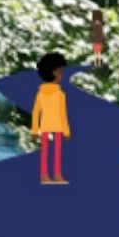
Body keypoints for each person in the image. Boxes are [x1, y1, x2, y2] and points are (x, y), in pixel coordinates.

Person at [31, 52, 71, 185]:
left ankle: (50, 175)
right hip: (55, 127)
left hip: (48, 126)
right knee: (55, 152)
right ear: (54, 73)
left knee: (47, 152)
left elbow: (36, 112)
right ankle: (52, 175)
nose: (61, 75)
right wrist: (66, 131)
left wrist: (35, 130)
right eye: (60, 71)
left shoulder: (44, 93)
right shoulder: (59, 94)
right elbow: (62, 114)